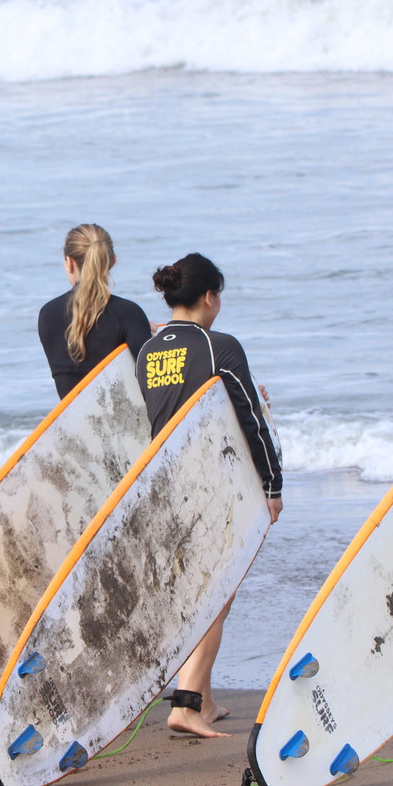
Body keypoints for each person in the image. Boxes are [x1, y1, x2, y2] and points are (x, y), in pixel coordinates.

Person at [136, 252, 283, 739]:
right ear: (209, 296)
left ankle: (208, 698)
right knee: (218, 594)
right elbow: (250, 419)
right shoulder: (221, 345)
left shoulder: (147, 351)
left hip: (164, 487)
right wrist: (273, 484)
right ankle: (186, 703)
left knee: (203, 590)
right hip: (214, 486)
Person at [38, 224, 152, 398]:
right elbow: (153, 379)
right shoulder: (129, 314)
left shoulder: (48, 315)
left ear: (69, 263)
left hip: (74, 423)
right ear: (112, 261)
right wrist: (147, 333)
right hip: (128, 422)